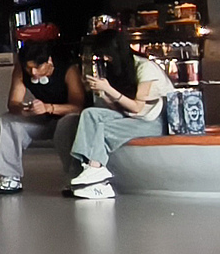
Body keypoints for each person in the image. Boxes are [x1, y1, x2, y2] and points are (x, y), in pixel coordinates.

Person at [57, 31, 173, 200]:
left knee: (100, 129)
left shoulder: (145, 68)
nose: (106, 58)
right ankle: (85, 170)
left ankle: (96, 171)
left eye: (107, 54)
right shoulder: (120, 69)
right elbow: (120, 108)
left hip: (153, 121)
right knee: (90, 114)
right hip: (132, 117)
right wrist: (103, 95)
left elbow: (137, 108)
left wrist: (108, 89)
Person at [0, 42, 84, 193]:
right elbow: (13, 103)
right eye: (29, 68)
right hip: (43, 118)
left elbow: (78, 107)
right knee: (8, 120)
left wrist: (49, 108)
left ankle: (75, 177)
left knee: (68, 122)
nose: (33, 72)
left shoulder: (69, 70)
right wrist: (25, 110)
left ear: (49, 61)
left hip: (66, 116)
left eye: (38, 67)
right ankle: (10, 176)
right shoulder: (22, 70)